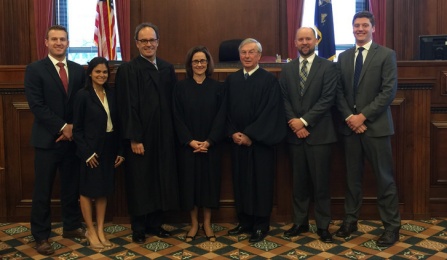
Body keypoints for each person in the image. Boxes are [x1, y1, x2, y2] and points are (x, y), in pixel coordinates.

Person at [335, 11, 401, 247]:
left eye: (364, 25)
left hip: (376, 128)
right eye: (356, 26)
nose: (360, 29)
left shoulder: (386, 55)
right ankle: (350, 221)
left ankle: (391, 228)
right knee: (352, 179)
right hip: (350, 128)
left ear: (373, 28)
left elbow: (388, 92)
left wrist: (362, 116)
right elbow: (339, 92)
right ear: (352, 29)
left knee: (384, 179)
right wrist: (350, 118)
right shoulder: (343, 57)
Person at [114, 22, 179, 244]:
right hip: (141, 136)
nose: (148, 44)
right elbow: (127, 106)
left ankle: (155, 223)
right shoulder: (128, 70)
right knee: (141, 180)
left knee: (160, 177)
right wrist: (134, 137)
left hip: (164, 135)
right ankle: (139, 227)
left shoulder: (167, 68)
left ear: (158, 42)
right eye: (144, 41)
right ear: (136, 44)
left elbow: (173, 103)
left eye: (152, 40)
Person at [24, 25, 86, 255]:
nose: (59, 42)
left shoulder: (79, 71)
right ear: (46, 42)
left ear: (68, 43)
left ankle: (71, 227)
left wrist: (72, 128)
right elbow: (36, 106)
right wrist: (62, 127)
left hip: (71, 141)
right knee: (43, 190)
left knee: (71, 186)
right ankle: (41, 236)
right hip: (47, 140)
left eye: (63, 39)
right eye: (54, 39)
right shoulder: (34, 70)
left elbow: (83, 105)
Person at [279, 27, 337, 243]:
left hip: (320, 135)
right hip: (295, 136)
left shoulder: (329, 67)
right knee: (299, 182)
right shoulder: (288, 68)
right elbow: (283, 98)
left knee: (321, 183)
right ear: (295, 43)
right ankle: (300, 223)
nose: (304, 42)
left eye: (308, 39)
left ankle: (323, 225)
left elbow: (328, 99)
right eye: (300, 39)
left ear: (315, 41)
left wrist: (303, 121)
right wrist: (295, 123)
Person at [225, 38, 286, 243]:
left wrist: (250, 135)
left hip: (260, 144)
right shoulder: (232, 81)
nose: (247, 56)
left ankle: (260, 225)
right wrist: (233, 132)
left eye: (252, 52)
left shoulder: (269, 81)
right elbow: (224, 112)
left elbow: (271, 113)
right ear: (239, 55)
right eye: (244, 52)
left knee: (261, 184)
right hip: (237, 143)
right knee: (241, 182)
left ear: (259, 55)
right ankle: (244, 221)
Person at [173, 46, 226, 242]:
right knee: (190, 185)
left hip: (211, 147)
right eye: (195, 61)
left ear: (208, 63)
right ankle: (194, 223)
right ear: (190, 64)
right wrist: (190, 141)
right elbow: (176, 117)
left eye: (203, 61)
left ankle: (207, 223)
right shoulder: (180, 87)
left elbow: (221, 117)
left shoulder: (218, 87)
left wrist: (210, 141)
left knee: (209, 185)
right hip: (189, 147)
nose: (199, 64)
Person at [72, 57, 125, 249]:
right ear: (90, 74)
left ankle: (101, 230)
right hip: (90, 151)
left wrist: (120, 150)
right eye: (97, 72)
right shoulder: (82, 96)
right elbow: (77, 130)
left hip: (110, 148)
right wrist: (87, 153)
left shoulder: (112, 94)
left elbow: (118, 125)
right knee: (87, 191)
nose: (101, 75)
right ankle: (90, 230)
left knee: (103, 191)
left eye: (105, 72)